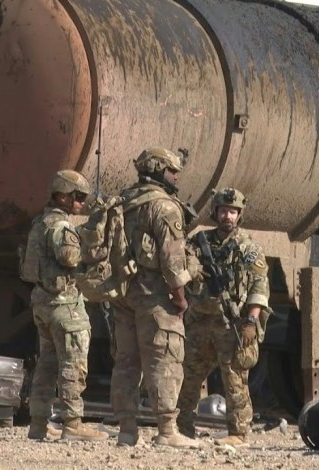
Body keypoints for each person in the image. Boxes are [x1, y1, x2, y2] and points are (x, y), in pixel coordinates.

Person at [109, 147, 199, 448]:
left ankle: (126, 430)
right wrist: (181, 298)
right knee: (165, 359)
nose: (176, 176)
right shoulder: (164, 207)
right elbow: (172, 264)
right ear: (159, 169)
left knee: (126, 361)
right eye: (173, 171)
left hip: (123, 294)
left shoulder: (124, 200)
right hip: (154, 296)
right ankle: (167, 431)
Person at [177, 188, 271, 446]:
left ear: (239, 215)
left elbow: (260, 286)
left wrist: (251, 320)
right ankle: (181, 427)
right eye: (223, 211)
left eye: (232, 212)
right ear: (215, 212)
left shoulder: (247, 247)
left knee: (235, 378)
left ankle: (238, 433)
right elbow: (180, 260)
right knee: (189, 376)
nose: (227, 216)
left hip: (232, 324)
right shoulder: (200, 242)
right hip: (200, 321)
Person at [24, 170, 108, 441]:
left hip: (43, 302)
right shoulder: (61, 227)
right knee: (73, 365)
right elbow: (72, 258)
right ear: (62, 196)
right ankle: (72, 424)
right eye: (78, 197)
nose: (81, 202)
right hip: (64, 305)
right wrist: (93, 242)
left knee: (46, 364)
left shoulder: (41, 222)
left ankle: (37, 424)